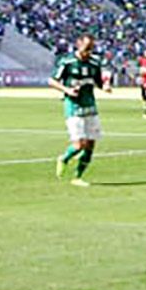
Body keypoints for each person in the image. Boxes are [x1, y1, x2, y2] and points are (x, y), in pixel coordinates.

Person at [50, 35, 109, 187]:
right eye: (86, 48)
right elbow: (52, 80)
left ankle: (77, 177)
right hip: (73, 106)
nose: (88, 52)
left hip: (90, 106)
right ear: (78, 45)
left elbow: (98, 82)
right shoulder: (67, 61)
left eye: (90, 49)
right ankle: (64, 158)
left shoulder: (94, 63)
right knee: (79, 145)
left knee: (90, 145)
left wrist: (106, 86)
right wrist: (67, 90)